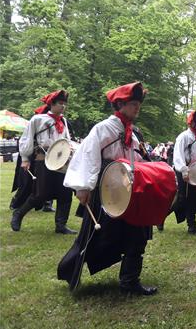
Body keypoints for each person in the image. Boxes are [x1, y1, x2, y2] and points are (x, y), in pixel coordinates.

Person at [57, 82, 158, 295]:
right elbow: (88, 156)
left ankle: (129, 282)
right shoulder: (103, 129)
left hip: (128, 192)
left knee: (137, 234)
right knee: (99, 237)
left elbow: (137, 159)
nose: (137, 107)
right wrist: (83, 187)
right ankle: (68, 269)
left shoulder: (134, 133)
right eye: (132, 103)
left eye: (138, 103)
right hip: (106, 191)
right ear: (120, 104)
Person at [10, 90, 76, 234]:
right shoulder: (38, 119)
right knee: (40, 194)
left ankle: (61, 225)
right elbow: (27, 138)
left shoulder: (64, 120)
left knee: (65, 193)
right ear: (51, 104)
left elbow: (66, 140)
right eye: (60, 103)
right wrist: (25, 159)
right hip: (43, 158)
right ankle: (18, 214)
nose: (63, 107)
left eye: (65, 104)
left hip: (62, 159)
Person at [171, 110, 196, 235]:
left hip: (194, 172)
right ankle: (162, 217)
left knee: (191, 198)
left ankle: (192, 226)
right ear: (192, 123)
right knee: (182, 198)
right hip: (185, 171)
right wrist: (184, 171)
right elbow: (178, 155)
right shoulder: (184, 137)